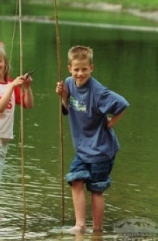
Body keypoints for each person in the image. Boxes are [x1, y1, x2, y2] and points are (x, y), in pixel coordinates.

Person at [55, 45, 129, 233]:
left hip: (101, 149)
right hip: (83, 148)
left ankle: (97, 230)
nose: (80, 73)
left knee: (96, 189)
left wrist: (111, 123)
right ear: (69, 68)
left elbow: (122, 104)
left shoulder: (98, 91)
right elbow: (67, 107)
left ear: (91, 68)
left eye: (84, 69)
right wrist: (63, 96)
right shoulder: (69, 83)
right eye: (76, 69)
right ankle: (80, 225)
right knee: (76, 180)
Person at [0, 41, 34, 221]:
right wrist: (12, 87)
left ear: (5, 63)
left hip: (2, 139)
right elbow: (0, 107)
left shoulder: (10, 83)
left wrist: (26, 87)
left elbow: (28, 104)